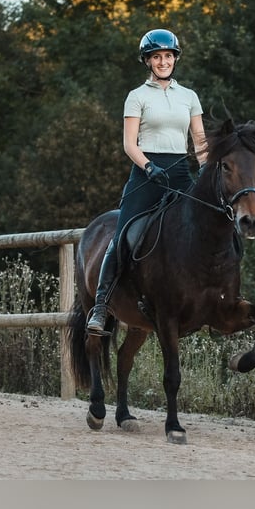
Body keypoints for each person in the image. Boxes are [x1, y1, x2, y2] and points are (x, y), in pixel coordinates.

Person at [86, 28, 207, 334]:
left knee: (209, 224)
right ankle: (101, 305)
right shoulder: (136, 97)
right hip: (147, 174)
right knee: (123, 235)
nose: (164, 61)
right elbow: (129, 143)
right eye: (157, 57)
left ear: (175, 59)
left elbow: (200, 141)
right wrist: (149, 166)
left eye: (168, 56)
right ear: (148, 61)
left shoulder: (189, 97)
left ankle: (212, 297)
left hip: (180, 174)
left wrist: (205, 169)